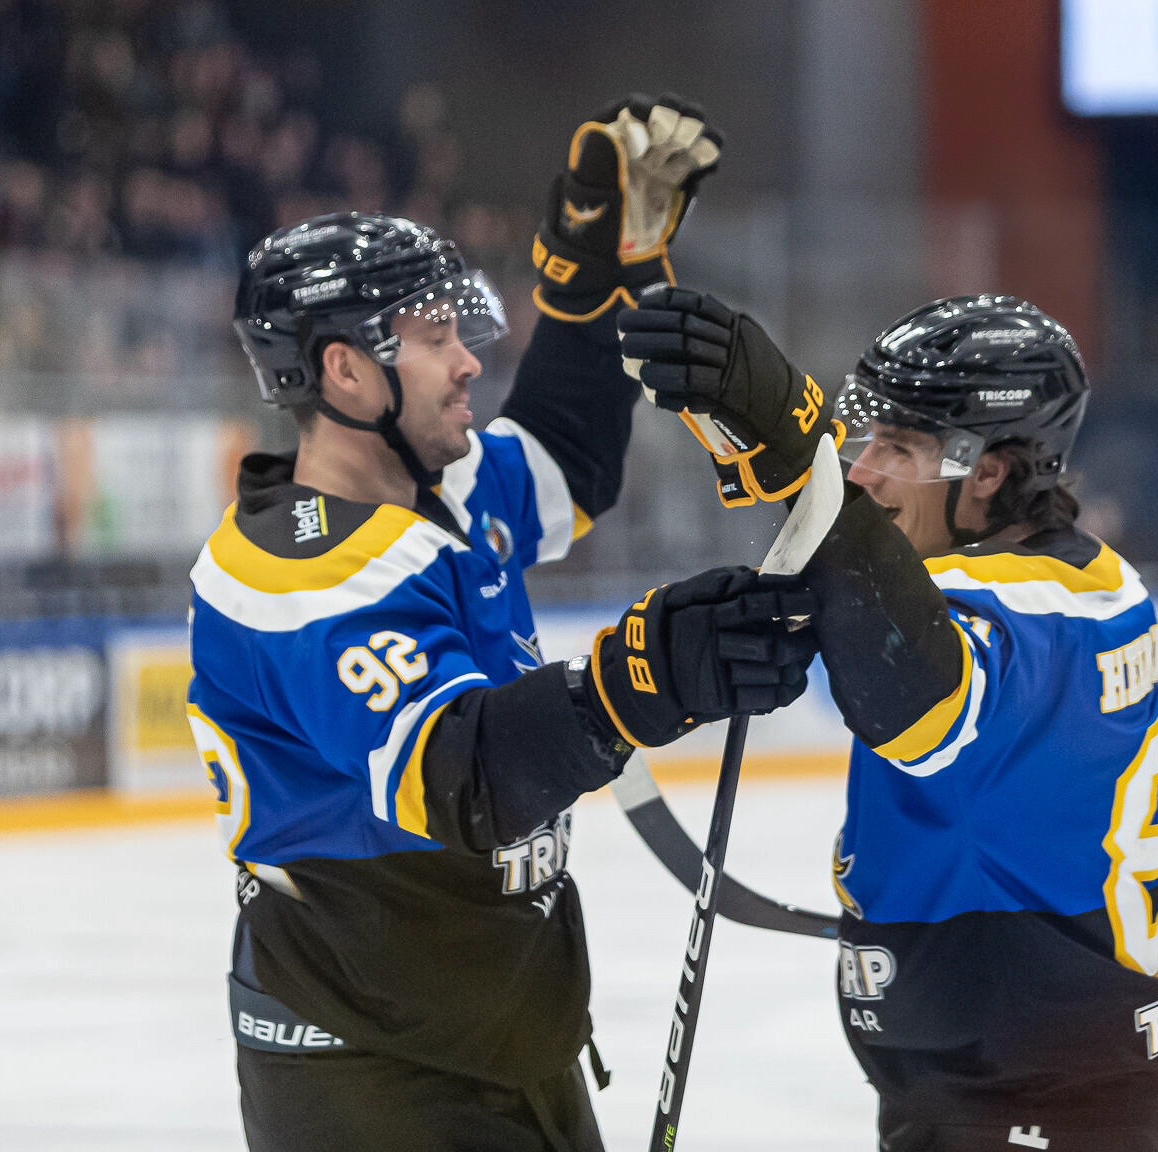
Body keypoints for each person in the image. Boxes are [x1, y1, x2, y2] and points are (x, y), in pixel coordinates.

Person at [189, 96, 817, 1152]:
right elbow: (462, 776)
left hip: (493, 1034)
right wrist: (646, 677)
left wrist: (603, 271)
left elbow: (571, 452)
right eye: (435, 338)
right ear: (344, 370)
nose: (469, 360)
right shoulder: (290, 571)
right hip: (371, 1076)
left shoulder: (438, 487)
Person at [619, 288, 1158, 1151]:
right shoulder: (1053, 581)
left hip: (1040, 1105)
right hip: (1019, 1078)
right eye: (865, 441)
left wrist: (790, 447)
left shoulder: (1043, 602)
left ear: (992, 473)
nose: (861, 470)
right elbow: (878, 597)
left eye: (899, 446)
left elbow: (922, 701)